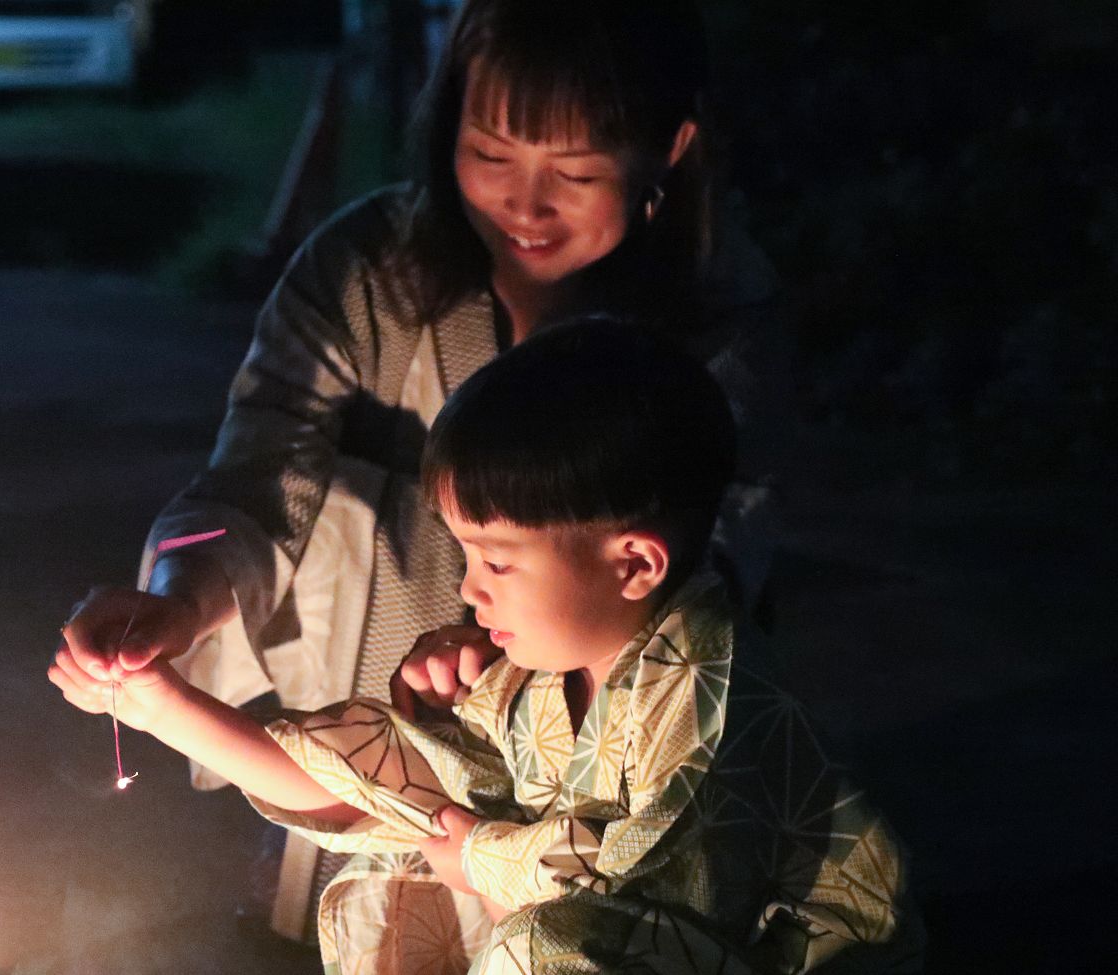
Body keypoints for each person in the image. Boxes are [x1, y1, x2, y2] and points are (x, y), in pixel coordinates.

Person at [59, 0, 786, 961]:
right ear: (448, 122)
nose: (525, 204)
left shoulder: (712, 327)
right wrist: (176, 606)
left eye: (574, 172)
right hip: (360, 758)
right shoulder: (369, 275)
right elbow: (260, 471)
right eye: (490, 154)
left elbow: (721, 562)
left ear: (671, 148)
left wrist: (531, 674)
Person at [51, 321, 921, 974]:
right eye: (466, 553)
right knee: (405, 857)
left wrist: (476, 851)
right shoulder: (531, 681)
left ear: (636, 562)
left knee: (552, 945)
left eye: (497, 559)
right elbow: (375, 778)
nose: (469, 589)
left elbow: (632, 874)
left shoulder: (713, 688)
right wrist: (156, 700)